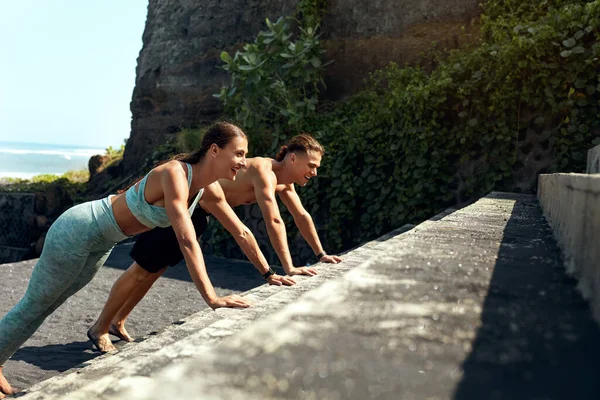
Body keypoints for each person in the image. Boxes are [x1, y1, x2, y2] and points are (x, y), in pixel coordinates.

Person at [0, 122, 270, 398]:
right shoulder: (175, 174)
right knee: (35, 304)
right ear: (215, 150)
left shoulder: (206, 189)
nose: (244, 162)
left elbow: (241, 230)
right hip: (78, 230)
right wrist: (212, 297)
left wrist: (269, 274)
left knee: (46, 306)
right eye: (239, 154)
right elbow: (187, 240)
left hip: (102, 242)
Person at [87, 133, 343, 351]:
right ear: (292, 158)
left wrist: (320, 254)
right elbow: (272, 220)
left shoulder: (285, 185)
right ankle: (99, 328)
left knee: (156, 269)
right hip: (186, 204)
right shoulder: (264, 172)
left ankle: (118, 320)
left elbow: (301, 216)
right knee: (141, 269)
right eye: (311, 165)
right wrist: (285, 269)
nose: (314, 171)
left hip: (201, 214)